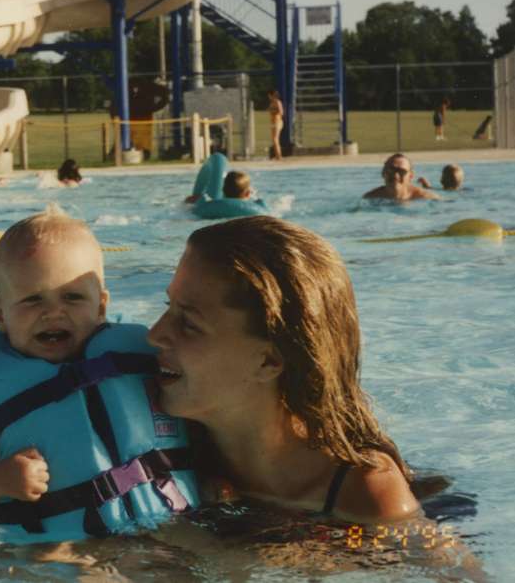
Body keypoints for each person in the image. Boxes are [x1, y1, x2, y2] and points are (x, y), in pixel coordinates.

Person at [0, 206, 196, 539]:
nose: (53, 312)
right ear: (0, 314)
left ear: (101, 306)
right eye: (33, 299)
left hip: (173, 527)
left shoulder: (141, 363)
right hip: (59, 551)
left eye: (72, 296)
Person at [148, 216, 421, 522]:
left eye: (189, 323)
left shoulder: (365, 497)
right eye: (167, 306)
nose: (154, 334)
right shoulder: (157, 446)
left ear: (269, 362)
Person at [363, 153, 439, 201]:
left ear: (410, 176)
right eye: (391, 170)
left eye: (402, 172)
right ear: (383, 173)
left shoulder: (425, 197)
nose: (396, 175)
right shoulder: (371, 198)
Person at [267, 89, 284, 161]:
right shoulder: (271, 103)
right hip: (273, 123)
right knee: (274, 140)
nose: (268, 97)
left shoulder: (278, 102)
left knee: (275, 139)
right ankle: (277, 155)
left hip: (278, 122)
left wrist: (273, 111)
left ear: (271, 95)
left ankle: (279, 156)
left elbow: (281, 112)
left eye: (269, 95)